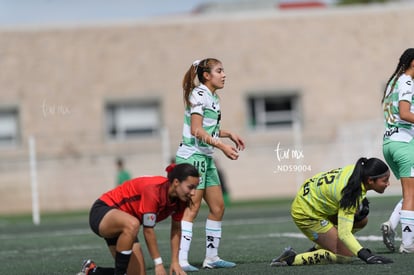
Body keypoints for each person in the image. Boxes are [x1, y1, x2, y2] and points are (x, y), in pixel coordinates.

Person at [175, 58, 245, 271]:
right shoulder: (199, 95)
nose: (224, 75)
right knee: (192, 208)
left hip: (205, 157)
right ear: (207, 75)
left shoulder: (213, 97)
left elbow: (208, 129)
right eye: (219, 71)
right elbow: (197, 130)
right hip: (191, 157)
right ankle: (182, 261)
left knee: (217, 207)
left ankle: (211, 258)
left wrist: (228, 133)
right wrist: (222, 146)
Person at [77, 163, 200, 275]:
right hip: (103, 212)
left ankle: (91, 270)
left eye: (195, 187)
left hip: (126, 227)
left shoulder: (182, 199)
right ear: (176, 182)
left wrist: (175, 262)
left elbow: (176, 229)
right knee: (133, 224)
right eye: (190, 187)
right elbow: (148, 230)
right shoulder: (154, 191)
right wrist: (158, 264)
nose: (194, 192)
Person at [270, 157, 393, 266]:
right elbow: (344, 234)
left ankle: (321, 246)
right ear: (370, 180)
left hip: (316, 203)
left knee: (361, 220)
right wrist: (366, 256)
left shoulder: (357, 171)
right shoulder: (350, 193)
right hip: (306, 213)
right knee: (346, 256)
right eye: (385, 180)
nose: (388, 184)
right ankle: (290, 259)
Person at [382, 48, 414, 253]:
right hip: (404, 144)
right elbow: (404, 114)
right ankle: (408, 244)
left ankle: (391, 224)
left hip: (389, 143)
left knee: (410, 191)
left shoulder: (392, 83)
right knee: (411, 194)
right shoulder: (407, 81)